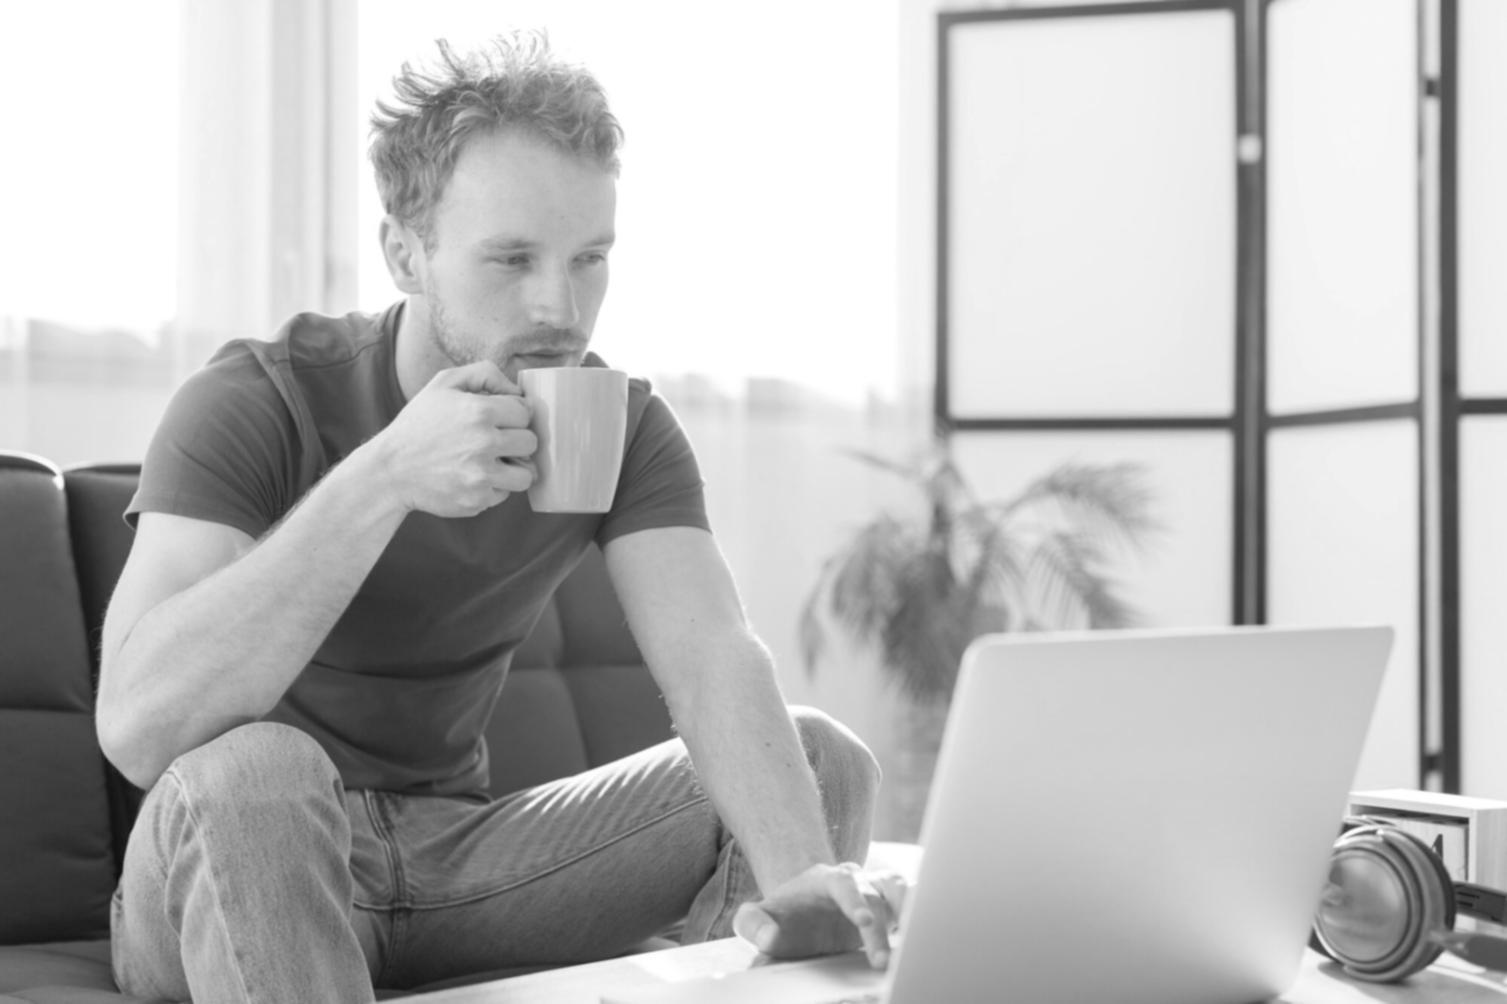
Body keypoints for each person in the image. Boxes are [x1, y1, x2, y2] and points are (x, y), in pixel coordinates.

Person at [95, 29, 903, 1003]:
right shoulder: (257, 397)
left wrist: (798, 881)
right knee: (258, 768)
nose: (559, 307)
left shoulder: (616, 423)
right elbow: (140, 727)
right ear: (405, 252)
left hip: (455, 864)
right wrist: (384, 475)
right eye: (512, 259)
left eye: (588, 258)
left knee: (818, 759)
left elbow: (712, 658)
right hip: (231, 861)